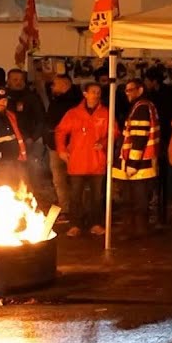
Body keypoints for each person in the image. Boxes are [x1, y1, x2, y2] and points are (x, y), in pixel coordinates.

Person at [54, 83, 109, 237]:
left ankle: (95, 224)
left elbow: (113, 133)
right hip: (78, 160)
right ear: (85, 94)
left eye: (98, 92)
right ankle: (75, 224)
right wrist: (61, 150)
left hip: (97, 161)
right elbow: (60, 131)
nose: (96, 95)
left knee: (96, 196)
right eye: (93, 92)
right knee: (75, 196)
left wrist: (104, 143)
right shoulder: (73, 113)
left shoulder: (105, 113)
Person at [114, 80, 160, 238]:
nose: (127, 93)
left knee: (135, 199)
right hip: (141, 163)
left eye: (130, 90)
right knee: (135, 198)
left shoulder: (140, 108)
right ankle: (136, 228)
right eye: (126, 90)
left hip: (139, 165)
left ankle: (136, 229)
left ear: (140, 90)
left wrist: (133, 163)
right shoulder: (143, 106)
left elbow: (139, 137)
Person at [144, 67, 172, 227]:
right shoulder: (170, 95)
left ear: (153, 81)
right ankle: (160, 214)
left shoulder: (152, 98)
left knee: (155, 177)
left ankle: (157, 213)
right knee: (162, 178)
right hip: (166, 139)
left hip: (158, 140)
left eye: (147, 81)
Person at [6, 69, 49, 201]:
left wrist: (33, 137)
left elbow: (41, 119)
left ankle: (34, 199)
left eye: (21, 80)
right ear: (8, 81)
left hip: (30, 141)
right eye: (15, 80)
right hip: (9, 143)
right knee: (11, 172)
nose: (18, 82)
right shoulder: (3, 98)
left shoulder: (31, 97)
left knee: (32, 171)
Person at [44, 74, 83, 216]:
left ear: (64, 84)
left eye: (54, 84)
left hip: (71, 148)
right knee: (59, 180)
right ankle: (65, 208)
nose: (52, 87)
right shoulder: (56, 100)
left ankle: (76, 210)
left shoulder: (77, 103)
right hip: (54, 147)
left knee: (75, 181)